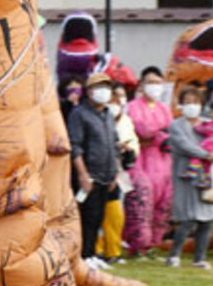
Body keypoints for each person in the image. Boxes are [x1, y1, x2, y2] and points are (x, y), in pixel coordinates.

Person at [166, 87, 213, 269]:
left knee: (208, 219)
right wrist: (206, 154)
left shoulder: (210, 123)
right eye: (187, 102)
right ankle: (174, 255)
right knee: (189, 218)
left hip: (207, 176)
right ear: (180, 104)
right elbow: (183, 146)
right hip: (186, 175)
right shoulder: (176, 125)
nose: (191, 106)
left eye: (195, 102)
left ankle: (199, 258)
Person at [68, 73, 120, 263]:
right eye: (98, 87)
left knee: (98, 216)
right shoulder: (79, 114)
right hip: (89, 174)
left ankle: (91, 254)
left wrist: (115, 173)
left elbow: (114, 144)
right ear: (88, 91)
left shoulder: (108, 114)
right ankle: (83, 256)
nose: (103, 92)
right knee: (86, 217)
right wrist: (82, 174)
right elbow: (75, 146)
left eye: (106, 87)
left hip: (106, 174)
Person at [127, 66, 173, 256]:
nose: (154, 87)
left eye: (158, 83)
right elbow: (141, 130)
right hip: (142, 158)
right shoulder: (133, 107)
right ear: (142, 84)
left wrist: (158, 135)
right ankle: (137, 244)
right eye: (150, 82)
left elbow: (171, 132)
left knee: (163, 203)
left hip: (163, 161)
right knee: (142, 202)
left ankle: (153, 243)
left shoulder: (164, 109)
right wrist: (158, 133)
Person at [99, 83, 138, 264]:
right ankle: (96, 250)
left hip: (119, 172)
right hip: (99, 171)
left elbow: (134, 145)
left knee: (115, 214)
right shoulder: (98, 120)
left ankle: (113, 251)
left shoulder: (126, 122)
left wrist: (128, 151)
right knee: (97, 215)